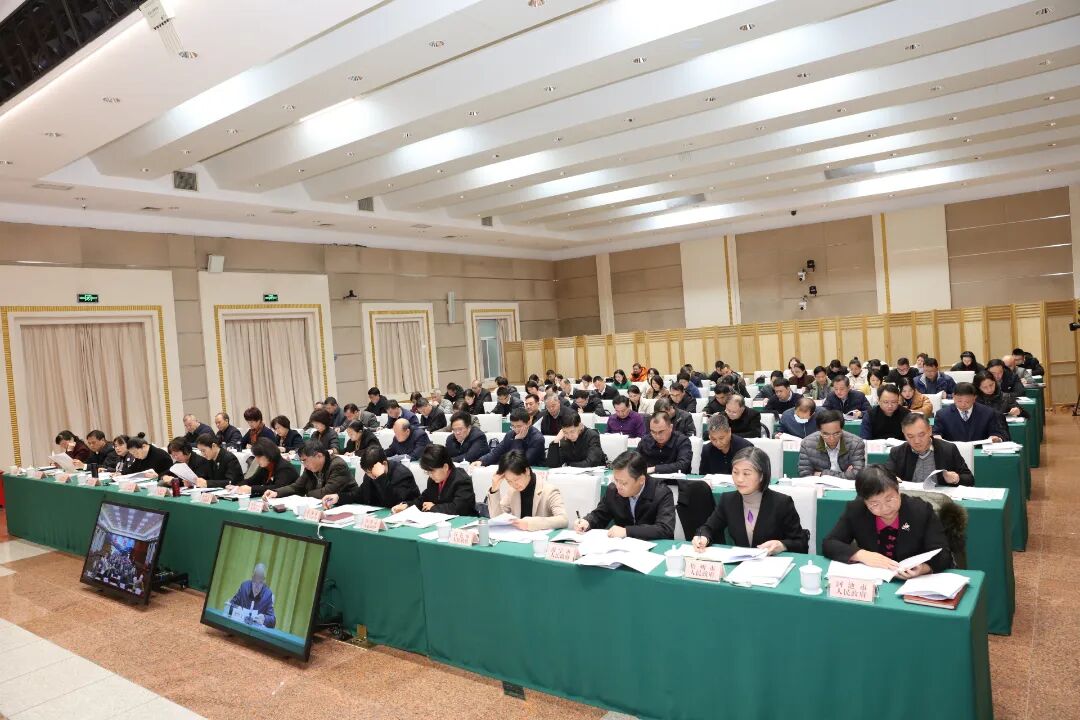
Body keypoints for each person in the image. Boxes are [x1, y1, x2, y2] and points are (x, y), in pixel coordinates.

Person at [823, 465, 951, 576]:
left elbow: (943, 554)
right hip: (875, 580)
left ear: (898, 490)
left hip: (913, 582)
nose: (885, 508)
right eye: (874, 504)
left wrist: (924, 568)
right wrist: (861, 555)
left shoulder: (921, 511)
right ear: (865, 501)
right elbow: (829, 543)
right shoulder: (856, 510)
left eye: (889, 499)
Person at [692, 446, 808, 554]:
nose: (739, 479)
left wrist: (782, 545)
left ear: (761, 476)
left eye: (746, 474)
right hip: (740, 564)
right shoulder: (728, 500)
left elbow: (801, 543)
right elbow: (708, 528)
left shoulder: (782, 503)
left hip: (772, 564)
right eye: (735, 472)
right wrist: (703, 537)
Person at [576, 451, 674, 540]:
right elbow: (600, 515)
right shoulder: (613, 489)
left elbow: (665, 528)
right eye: (616, 480)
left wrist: (627, 531)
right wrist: (587, 522)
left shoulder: (661, 493)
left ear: (641, 480)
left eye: (623, 483)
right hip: (622, 547)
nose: (618, 486)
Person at [485, 451, 568, 530]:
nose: (514, 484)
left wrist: (531, 523)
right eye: (509, 481)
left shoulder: (549, 490)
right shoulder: (512, 491)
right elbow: (497, 518)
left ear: (527, 471)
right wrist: (494, 489)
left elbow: (563, 520)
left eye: (516, 479)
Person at [322, 446, 420, 510]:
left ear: (384, 464)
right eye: (367, 473)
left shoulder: (402, 475)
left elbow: (394, 503)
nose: (371, 476)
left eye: (371, 473)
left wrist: (381, 477)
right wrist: (338, 497)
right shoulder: (370, 474)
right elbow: (359, 495)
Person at [887, 414, 974, 487]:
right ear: (904, 434)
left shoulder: (948, 449)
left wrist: (956, 478)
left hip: (942, 499)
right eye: (910, 436)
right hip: (910, 499)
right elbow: (885, 476)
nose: (917, 441)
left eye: (921, 435)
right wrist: (890, 480)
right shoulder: (897, 452)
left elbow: (969, 479)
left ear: (930, 430)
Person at [398, 444, 476, 515]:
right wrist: (408, 506)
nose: (430, 475)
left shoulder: (462, 480)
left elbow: (459, 508)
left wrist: (434, 508)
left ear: (445, 467)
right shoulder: (433, 480)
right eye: (427, 472)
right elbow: (424, 498)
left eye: (432, 471)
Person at [266, 441, 353, 500]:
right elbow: (297, 486)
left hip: (345, 505)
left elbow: (327, 492)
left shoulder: (338, 465)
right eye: (302, 461)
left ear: (319, 455)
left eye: (305, 460)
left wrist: (305, 495)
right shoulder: (310, 467)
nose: (304, 465)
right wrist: (276, 492)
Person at [797, 410, 865, 479]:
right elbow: (805, 475)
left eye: (836, 433)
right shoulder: (807, 444)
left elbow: (858, 474)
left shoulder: (856, 443)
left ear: (842, 429)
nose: (831, 438)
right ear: (819, 431)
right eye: (826, 434)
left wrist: (823, 474)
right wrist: (846, 474)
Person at [934, 382, 1007, 443]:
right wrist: (936, 437)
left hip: (979, 451)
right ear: (953, 396)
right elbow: (936, 432)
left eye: (967, 401)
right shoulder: (942, 414)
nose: (963, 404)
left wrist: (995, 438)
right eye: (959, 401)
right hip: (953, 452)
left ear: (974, 398)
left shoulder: (988, 413)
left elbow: (997, 432)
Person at [475, 408, 545, 466]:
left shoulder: (537, 439)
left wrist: (518, 440)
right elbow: (496, 452)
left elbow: (521, 463)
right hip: (512, 469)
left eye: (519, 426)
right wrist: (481, 461)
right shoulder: (510, 434)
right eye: (513, 426)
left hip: (533, 471)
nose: (516, 430)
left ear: (529, 423)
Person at [233, 438, 300, 497]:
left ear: (268, 455)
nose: (256, 460)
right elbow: (253, 480)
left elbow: (277, 488)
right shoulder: (267, 465)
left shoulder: (284, 468)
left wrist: (251, 489)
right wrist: (236, 486)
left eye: (259, 457)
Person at [227, 564, 275, 628]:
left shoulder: (268, 594)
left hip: (255, 631)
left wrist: (265, 619)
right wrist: (237, 608)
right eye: (255, 582)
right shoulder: (244, 587)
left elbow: (273, 621)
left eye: (260, 583)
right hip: (239, 627)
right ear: (252, 579)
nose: (257, 587)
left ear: (264, 581)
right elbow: (230, 605)